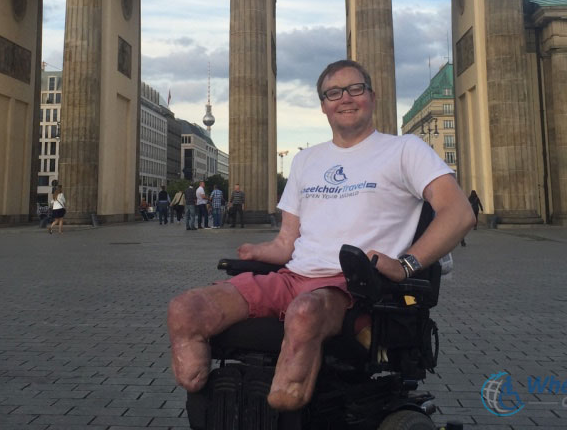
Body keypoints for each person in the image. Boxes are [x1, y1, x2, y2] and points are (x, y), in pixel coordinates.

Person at [167, 59, 474, 411]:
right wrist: (260, 250)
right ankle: (219, 402)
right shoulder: (306, 160)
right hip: (292, 280)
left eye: (355, 89)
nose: (345, 98)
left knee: (304, 313)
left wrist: (406, 264)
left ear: (372, 96)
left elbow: (459, 212)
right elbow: (287, 243)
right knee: (185, 308)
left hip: (354, 289)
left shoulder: (405, 150)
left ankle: (279, 408)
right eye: (334, 92)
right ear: (324, 105)